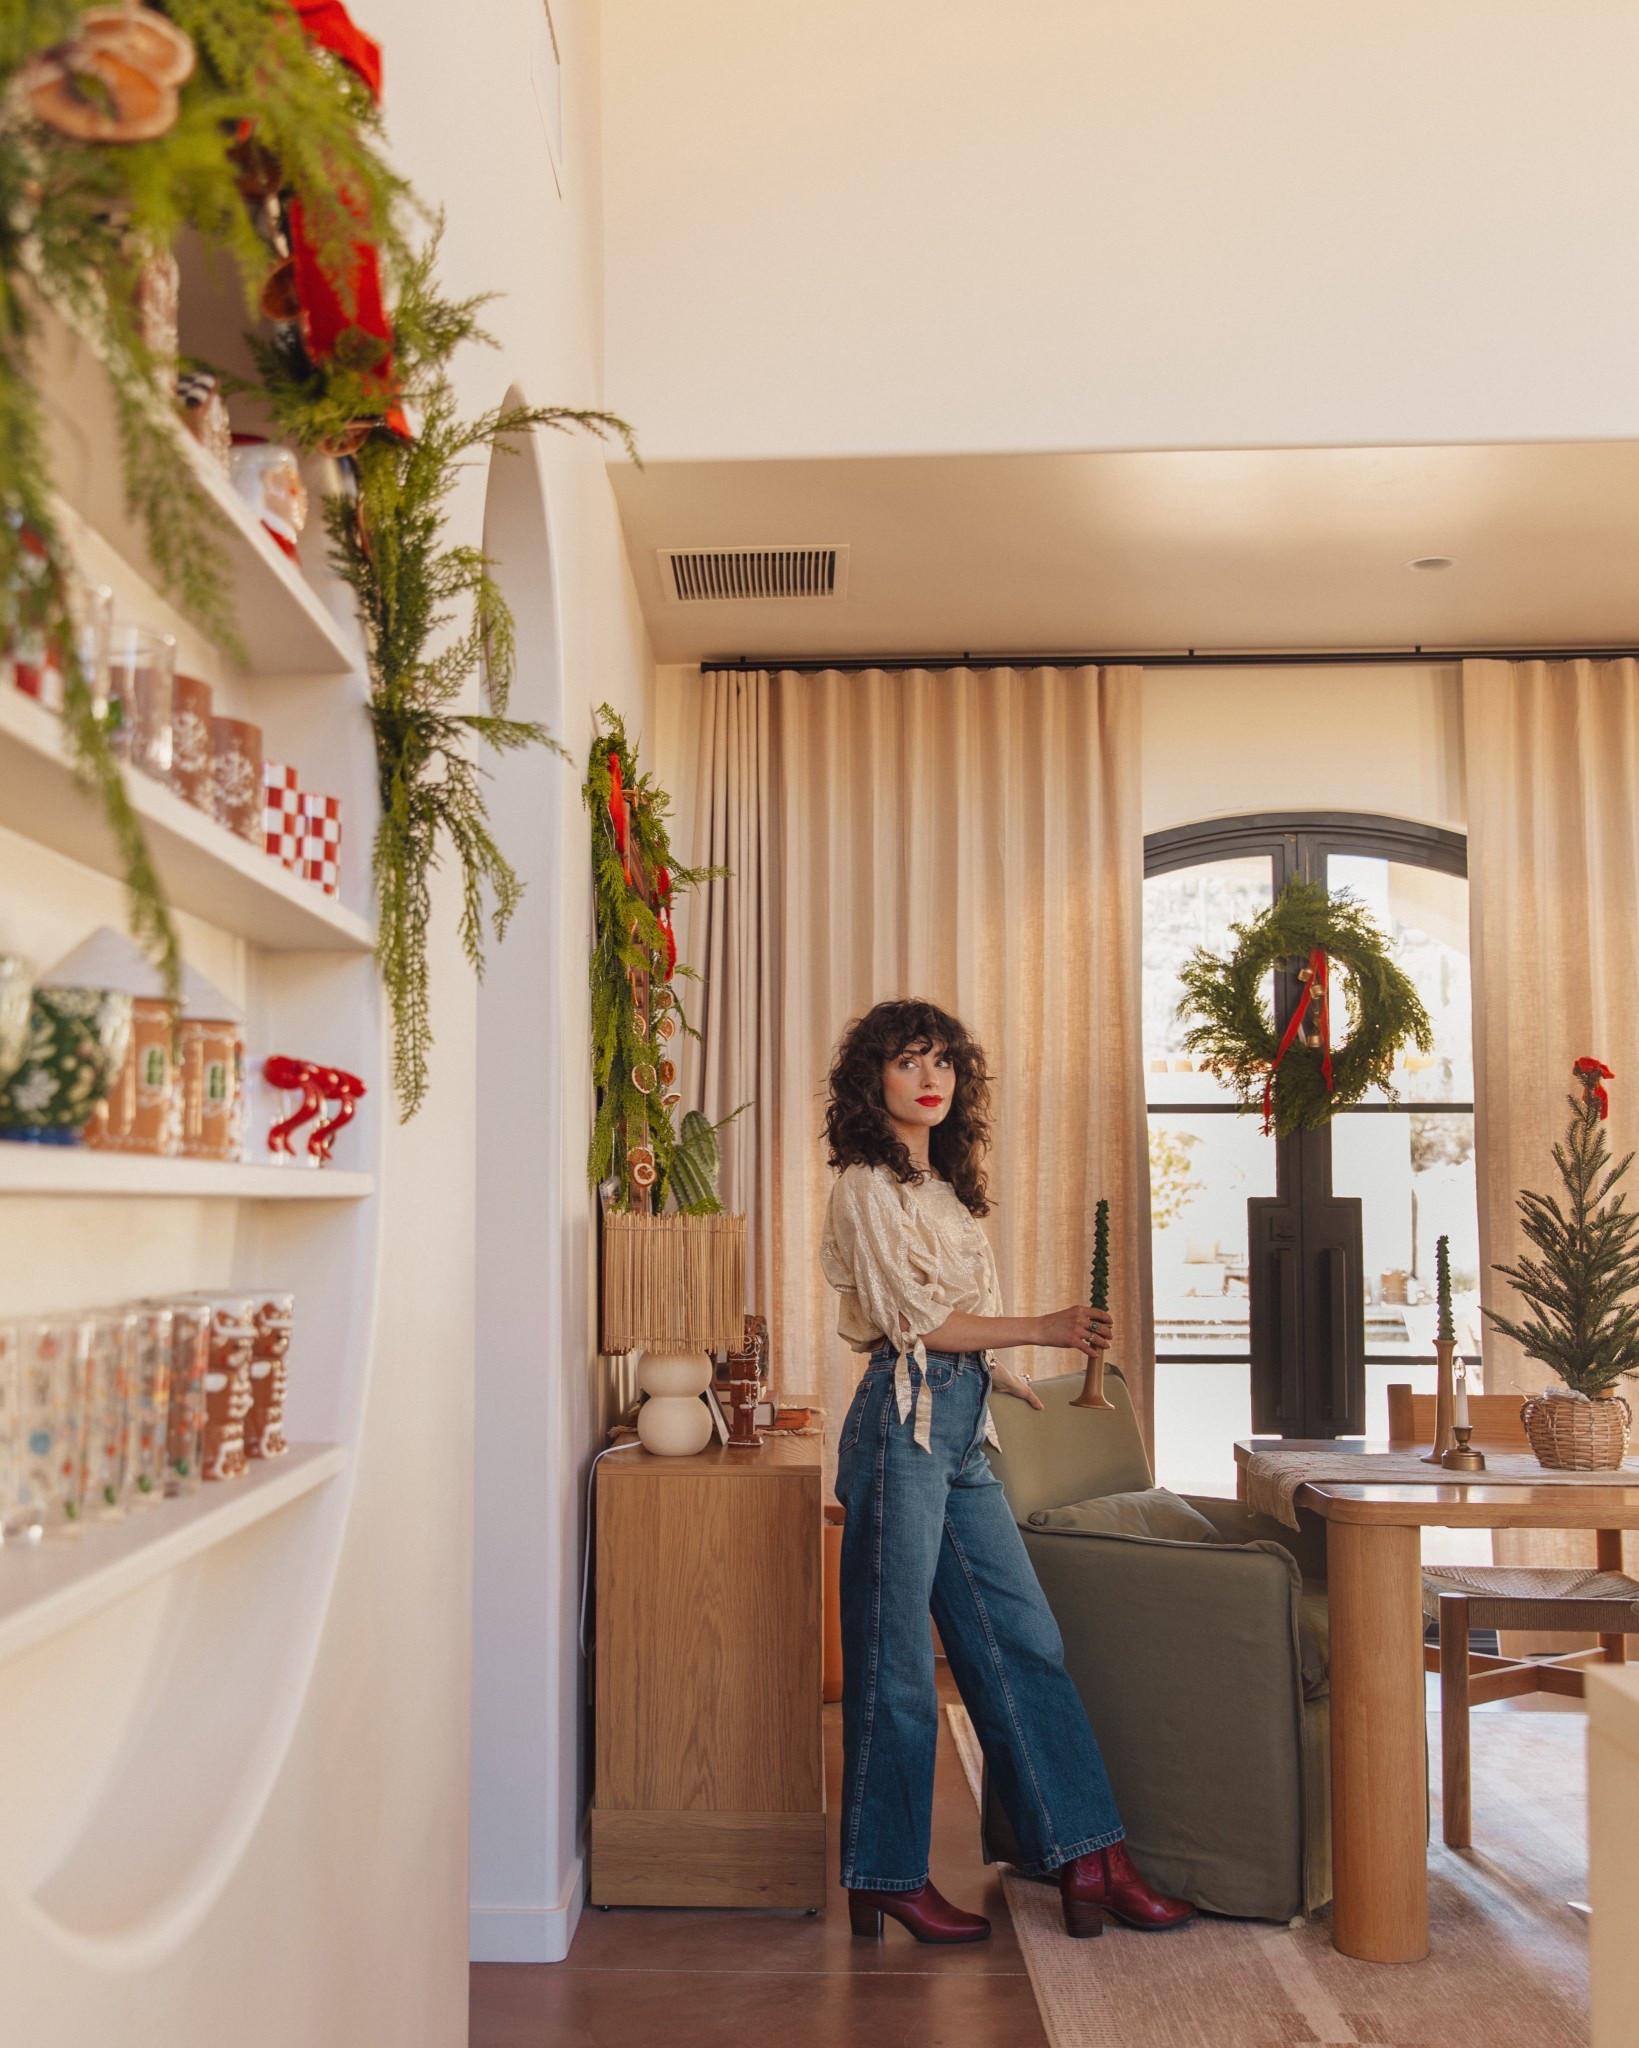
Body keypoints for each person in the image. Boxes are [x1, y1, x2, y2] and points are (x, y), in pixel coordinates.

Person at [821, 997, 1197, 1946]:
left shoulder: (943, 1191)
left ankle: (1087, 1855)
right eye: (909, 1062)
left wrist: (1005, 1372)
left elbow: (958, 1331)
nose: (930, 1077)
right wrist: (1042, 1325)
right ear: (875, 1081)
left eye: (943, 1062)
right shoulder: (866, 1187)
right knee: (896, 1660)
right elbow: (915, 1326)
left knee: (1021, 1642)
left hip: (960, 1429)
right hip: (898, 1429)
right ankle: (887, 1875)